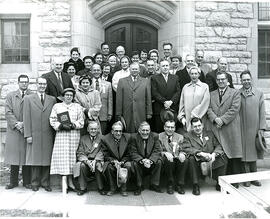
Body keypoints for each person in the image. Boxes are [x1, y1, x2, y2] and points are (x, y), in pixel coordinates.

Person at [207, 72, 242, 187]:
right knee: (219, 156)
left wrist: (222, 120)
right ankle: (220, 182)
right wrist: (215, 119)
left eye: (223, 79)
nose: (221, 81)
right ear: (216, 81)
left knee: (233, 156)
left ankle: (233, 182)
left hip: (230, 128)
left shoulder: (235, 93)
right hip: (217, 129)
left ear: (228, 81)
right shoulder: (211, 94)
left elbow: (234, 109)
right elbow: (208, 108)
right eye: (218, 79)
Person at [23, 77, 56, 192]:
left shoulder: (52, 99)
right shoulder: (28, 99)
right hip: (34, 134)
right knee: (35, 159)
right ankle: (35, 182)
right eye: (40, 84)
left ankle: (45, 182)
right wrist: (28, 135)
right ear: (36, 85)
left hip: (47, 134)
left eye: (44, 84)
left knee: (47, 159)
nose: (42, 86)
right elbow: (26, 118)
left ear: (46, 85)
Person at [50, 88, 84, 192]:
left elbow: (81, 121)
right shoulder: (57, 106)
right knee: (63, 157)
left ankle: (71, 182)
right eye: (66, 95)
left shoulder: (77, 107)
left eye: (70, 95)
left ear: (73, 97)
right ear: (63, 96)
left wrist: (74, 125)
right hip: (62, 136)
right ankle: (64, 181)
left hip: (73, 136)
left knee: (72, 157)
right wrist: (60, 126)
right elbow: (52, 119)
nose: (68, 97)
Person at [182, 117, 227, 195]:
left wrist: (214, 154)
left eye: (199, 125)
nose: (198, 128)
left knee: (223, 157)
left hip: (210, 157)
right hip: (198, 158)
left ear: (202, 125)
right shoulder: (187, 136)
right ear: (192, 127)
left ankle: (219, 183)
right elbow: (187, 148)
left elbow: (218, 146)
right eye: (195, 126)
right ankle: (195, 185)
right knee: (191, 159)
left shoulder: (210, 133)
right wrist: (201, 153)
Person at [4, 75, 32, 190]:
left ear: (28, 83)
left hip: (27, 130)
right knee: (14, 157)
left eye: (26, 82)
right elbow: (8, 112)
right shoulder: (11, 96)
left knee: (27, 156)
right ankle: (13, 182)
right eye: (22, 82)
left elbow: (33, 112)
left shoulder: (32, 96)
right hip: (14, 130)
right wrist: (17, 124)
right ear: (18, 83)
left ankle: (27, 182)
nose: (24, 84)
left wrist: (24, 124)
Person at [239, 70, 266, 187]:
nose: (246, 82)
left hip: (254, 129)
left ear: (251, 80)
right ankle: (246, 178)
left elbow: (262, 112)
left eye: (248, 79)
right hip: (241, 129)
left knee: (253, 155)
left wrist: (261, 128)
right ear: (241, 81)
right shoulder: (237, 93)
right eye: (244, 80)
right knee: (244, 155)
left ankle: (254, 178)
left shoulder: (259, 93)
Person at [116, 62, 152, 133]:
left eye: (136, 69)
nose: (134, 70)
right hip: (127, 111)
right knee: (128, 131)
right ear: (129, 69)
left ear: (139, 70)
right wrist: (118, 114)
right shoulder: (122, 81)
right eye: (133, 69)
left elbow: (148, 98)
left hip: (141, 111)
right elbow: (119, 99)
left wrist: (149, 112)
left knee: (141, 131)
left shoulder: (145, 81)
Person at [74, 121, 106, 195]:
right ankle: (83, 188)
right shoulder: (83, 138)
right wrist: (87, 161)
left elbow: (103, 151)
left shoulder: (102, 138)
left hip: (97, 160)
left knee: (98, 165)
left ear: (98, 129)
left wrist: (96, 160)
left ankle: (101, 187)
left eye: (95, 129)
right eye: (91, 129)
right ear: (88, 129)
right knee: (81, 165)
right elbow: (80, 152)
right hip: (86, 161)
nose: (93, 131)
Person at [100, 121, 132, 196]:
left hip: (124, 160)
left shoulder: (127, 138)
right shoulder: (105, 139)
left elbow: (130, 153)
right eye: (116, 131)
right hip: (112, 161)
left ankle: (123, 189)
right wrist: (113, 161)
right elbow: (105, 154)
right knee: (108, 167)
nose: (118, 133)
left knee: (129, 166)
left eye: (120, 131)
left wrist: (123, 161)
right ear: (112, 131)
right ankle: (112, 188)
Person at [130, 122, 163, 195]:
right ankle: (139, 185)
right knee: (135, 163)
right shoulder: (134, 137)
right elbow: (133, 152)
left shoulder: (155, 136)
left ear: (150, 130)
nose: (145, 132)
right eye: (143, 130)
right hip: (141, 161)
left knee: (159, 161)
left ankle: (154, 184)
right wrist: (142, 160)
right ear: (139, 130)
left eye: (147, 130)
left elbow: (157, 150)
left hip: (150, 161)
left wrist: (150, 160)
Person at [159, 120, 188, 194]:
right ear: (164, 127)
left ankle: (180, 184)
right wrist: (165, 153)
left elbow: (184, 148)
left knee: (185, 160)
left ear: (175, 128)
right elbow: (157, 150)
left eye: (172, 127)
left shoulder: (180, 137)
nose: (170, 129)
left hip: (177, 157)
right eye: (168, 127)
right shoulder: (159, 136)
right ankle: (170, 184)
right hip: (166, 159)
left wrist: (182, 153)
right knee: (168, 161)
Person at [151, 60, 181, 133]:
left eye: (166, 66)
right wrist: (164, 102)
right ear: (160, 67)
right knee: (160, 130)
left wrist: (171, 102)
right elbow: (154, 92)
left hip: (172, 108)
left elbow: (178, 91)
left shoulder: (175, 77)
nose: (165, 67)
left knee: (172, 130)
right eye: (163, 66)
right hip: (160, 108)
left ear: (169, 66)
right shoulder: (154, 78)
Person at [177, 66, 210, 132]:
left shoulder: (204, 86)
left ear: (199, 74)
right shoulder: (185, 87)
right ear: (189, 75)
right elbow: (182, 103)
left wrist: (194, 114)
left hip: (200, 117)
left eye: (195, 73)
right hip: (188, 119)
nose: (194, 76)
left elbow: (205, 103)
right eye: (192, 74)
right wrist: (181, 117)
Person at [91, 64, 113, 135]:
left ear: (101, 71)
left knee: (102, 134)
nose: (96, 72)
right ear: (91, 71)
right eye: (94, 70)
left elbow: (110, 100)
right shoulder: (87, 84)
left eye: (98, 70)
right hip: (91, 114)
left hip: (103, 114)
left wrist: (109, 113)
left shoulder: (108, 84)